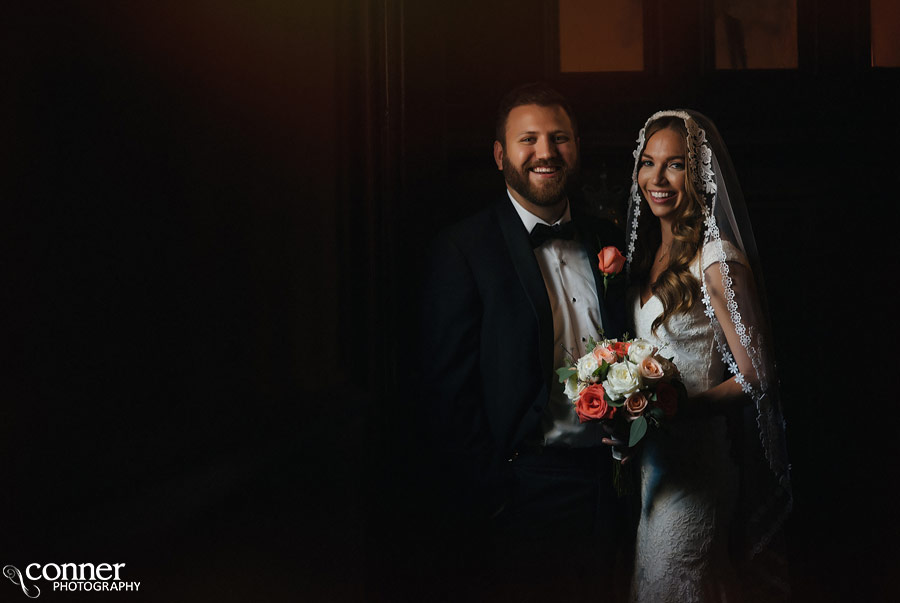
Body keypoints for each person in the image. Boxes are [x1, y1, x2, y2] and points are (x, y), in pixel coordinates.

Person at [420, 83, 630, 602]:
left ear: (576, 147)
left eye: (559, 138)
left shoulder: (608, 237)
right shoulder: (463, 248)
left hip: (617, 484)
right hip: (525, 490)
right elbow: (450, 391)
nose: (545, 152)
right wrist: (494, 493)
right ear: (500, 155)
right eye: (528, 139)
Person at [624, 110, 792, 602]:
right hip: (653, 468)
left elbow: (759, 376)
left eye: (674, 165)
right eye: (648, 163)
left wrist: (684, 407)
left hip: (698, 468)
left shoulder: (716, 259)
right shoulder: (646, 257)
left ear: (698, 175)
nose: (657, 179)